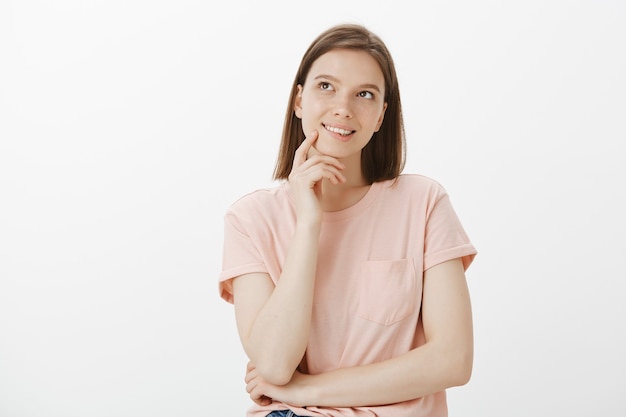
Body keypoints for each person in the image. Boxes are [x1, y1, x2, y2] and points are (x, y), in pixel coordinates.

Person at [218, 23, 477, 417]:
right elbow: (272, 363)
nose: (343, 107)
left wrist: (306, 388)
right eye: (326, 87)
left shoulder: (423, 203)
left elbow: (452, 361)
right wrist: (308, 222)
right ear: (298, 100)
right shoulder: (250, 219)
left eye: (365, 95)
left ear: (380, 117)